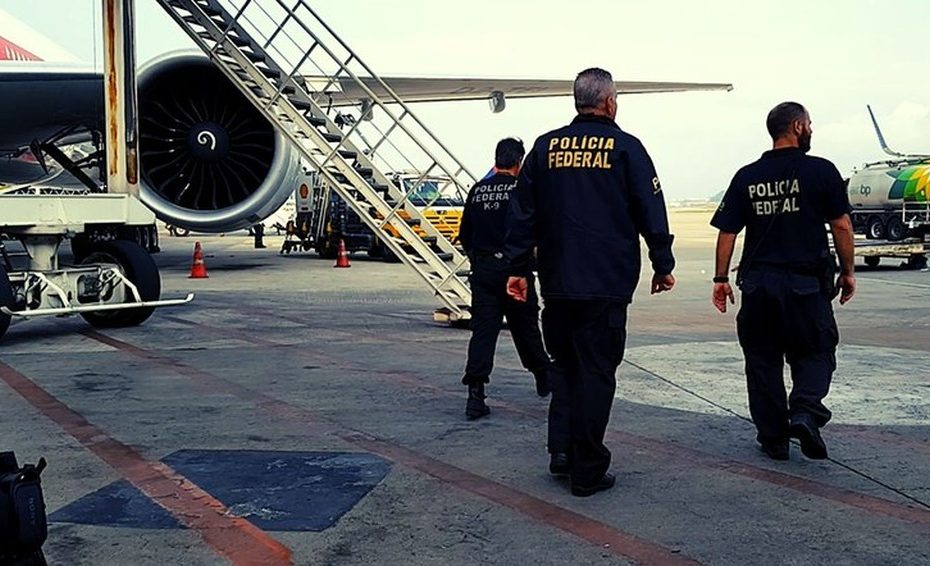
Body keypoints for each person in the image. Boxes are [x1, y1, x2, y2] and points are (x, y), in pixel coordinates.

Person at [504, 68, 676, 497]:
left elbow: (522, 215)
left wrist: (517, 269)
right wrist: (662, 261)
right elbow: (649, 207)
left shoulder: (544, 149)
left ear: (576, 101)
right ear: (610, 102)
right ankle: (587, 468)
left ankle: (561, 451)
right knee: (598, 372)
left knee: (565, 367)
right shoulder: (627, 148)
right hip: (606, 284)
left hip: (558, 282)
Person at [710, 101, 856, 461]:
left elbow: (727, 232)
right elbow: (841, 225)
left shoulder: (746, 176)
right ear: (796, 126)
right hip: (805, 286)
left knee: (762, 361)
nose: (811, 129)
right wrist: (848, 272)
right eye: (808, 123)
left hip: (759, 286)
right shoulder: (822, 171)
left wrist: (720, 278)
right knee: (816, 351)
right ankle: (805, 412)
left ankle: (774, 438)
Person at [459, 137, 553, 421]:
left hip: (484, 271)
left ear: (497, 159)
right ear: (519, 161)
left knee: (483, 332)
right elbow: (534, 229)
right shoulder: (522, 190)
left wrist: (480, 260)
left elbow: (466, 235)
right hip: (516, 269)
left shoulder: (477, 190)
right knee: (525, 328)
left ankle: (475, 394)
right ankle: (543, 375)